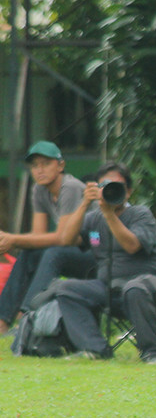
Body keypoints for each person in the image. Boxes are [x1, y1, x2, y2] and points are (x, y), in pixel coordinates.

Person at [53, 161, 156, 363]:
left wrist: (109, 215)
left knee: (135, 288)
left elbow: (132, 246)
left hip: (151, 285)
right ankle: (95, 348)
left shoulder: (140, 214)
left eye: (115, 186)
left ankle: (152, 353)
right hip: (110, 289)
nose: (109, 190)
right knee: (66, 289)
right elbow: (66, 239)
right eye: (104, 186)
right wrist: (84, 204)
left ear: (128, 191)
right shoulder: (94, 218)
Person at [0, 141, 97, 334]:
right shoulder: (39, 190)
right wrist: (18, 241)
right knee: (31, 251)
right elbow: (39, 237)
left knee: (54, 251)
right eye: (35, 165)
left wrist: (14, 239)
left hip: (97, 251)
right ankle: (3, 321)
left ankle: (26, 317)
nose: (39, 170)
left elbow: (63, 239)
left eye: (46, 164)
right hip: (74, 248)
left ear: (60, 165)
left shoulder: (70, 187)